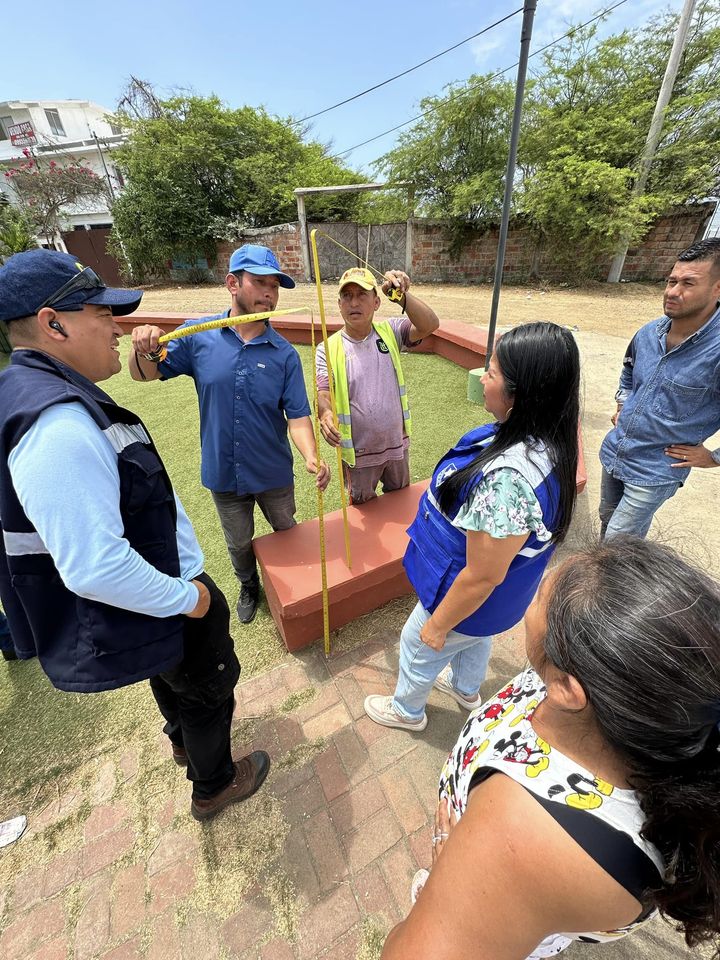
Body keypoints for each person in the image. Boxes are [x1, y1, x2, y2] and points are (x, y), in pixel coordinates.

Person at [0, 249, 269, 822]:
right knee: (207, 690)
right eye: (103, 315)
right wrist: (191, 598)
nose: (117, 329)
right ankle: (214, 784)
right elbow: (94, 566)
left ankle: (182, 743)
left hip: (148, 591)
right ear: (53, 323)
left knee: (170, 675)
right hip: (164, 589)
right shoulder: (58, 425)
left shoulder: (40, 392)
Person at [381, 537, 720, 960]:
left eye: (541, 592)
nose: (531, 597)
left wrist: (451, 879)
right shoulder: (657, 721)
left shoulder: (521, 837)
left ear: (565, 688)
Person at [364, 321, 580, 731]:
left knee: (417, 644)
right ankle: (466, 689)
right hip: (495, 606)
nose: (482, 378)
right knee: (476, 637)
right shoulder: (551, 443)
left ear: (520, 395)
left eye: (492, 372)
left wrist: (437, 625)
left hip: (465, 596)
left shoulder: (507, 484)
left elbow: (481, 577)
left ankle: (407, 711)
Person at [130, 244, 329, 625]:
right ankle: (249, 584)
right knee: (238, 543)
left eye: (275, 286)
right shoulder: (198, 336)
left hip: (273, 472)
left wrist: (310, 456)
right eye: (260, 283)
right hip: (223, 472)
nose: (269, 293)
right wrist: (144, 348)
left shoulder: (284, 354)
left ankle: (293, 589)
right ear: (232, 284)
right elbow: (145, 374)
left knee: (286, 532)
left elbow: (298, 416)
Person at [599, 237, 720, 539]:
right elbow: (628, 370)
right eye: (671, 281)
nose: (673, 292)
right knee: (609, 524)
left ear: (717, 289)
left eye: (688, 284)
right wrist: (623, 403)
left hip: (655, 470)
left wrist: (713, 458)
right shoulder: (649, 333)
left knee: (616, 539)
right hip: (616, 452)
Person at [316, 266, 439, 503]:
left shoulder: (390, 331)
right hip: (358, 456)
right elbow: (323, 392)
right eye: (347, 296)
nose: (354, 303)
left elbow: (430, 324)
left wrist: (401, 296)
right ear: (339, 304)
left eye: (362, 295)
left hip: (396, 446)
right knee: (363, 512)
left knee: (400, 504)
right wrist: (325, 413)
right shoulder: (327, 349)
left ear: (376, 302)